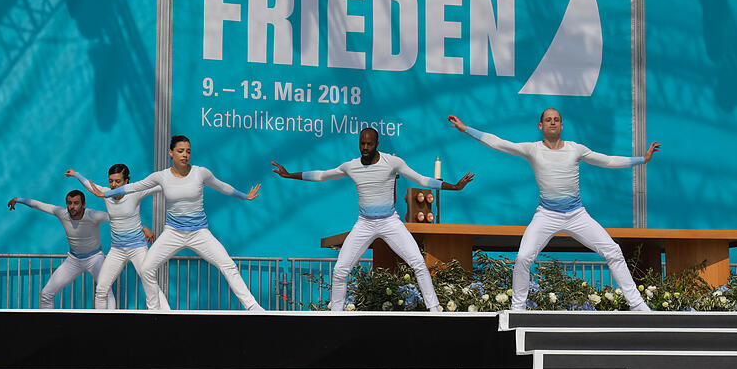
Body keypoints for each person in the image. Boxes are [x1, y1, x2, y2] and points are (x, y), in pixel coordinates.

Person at [448, 109, 660, 311]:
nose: (552, 122)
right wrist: (465, 128)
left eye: (556, 119)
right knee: (523, 258)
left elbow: (608, 160)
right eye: (548, 119)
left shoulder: (575, 149)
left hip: (577, 214)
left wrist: (643, 159)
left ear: (561, 126)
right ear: (540, 125)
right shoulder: (532, 149)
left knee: (613, 251)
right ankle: (518, 309)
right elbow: (498, 143)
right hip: (546, 215)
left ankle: (637, 303)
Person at [271, 127, 474, 311]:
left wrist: (454, 187)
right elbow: (322, 175)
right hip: (364, 223)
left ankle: (434, 310)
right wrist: (290, 175)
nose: (365, 147)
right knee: (340, 270)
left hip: (390, 222)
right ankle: (335, 315)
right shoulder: (351, 166)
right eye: (362, 143)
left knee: (418, 263)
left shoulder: (393, 163)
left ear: (377, 144)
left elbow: (421, 179)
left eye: (369, 144)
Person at [88, 135, 263, 311]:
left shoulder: (201, 173)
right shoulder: (161, 177)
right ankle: (154, 312)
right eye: (180, 151)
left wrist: (244, 195)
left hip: (199, 233)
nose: (185, 154)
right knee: (147, 268)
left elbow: (222, 186)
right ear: (171, 153)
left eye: (188, 151)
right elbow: (135, 186)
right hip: (173, 232)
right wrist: (106, 194)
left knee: (228, 265)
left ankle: (253, 306)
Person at [65, 165, 170, 310]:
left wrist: (180, 181)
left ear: (126, 181)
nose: (113, 185)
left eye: (118, 181)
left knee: (150, 284)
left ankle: (167, 315)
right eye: (111, 181)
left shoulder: (135, 192)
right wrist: (76, 174)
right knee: (101, 289)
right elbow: (90, 185)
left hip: (138, 248)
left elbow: (158, 186)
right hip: (117, 250)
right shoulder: (106, 193)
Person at [7, 191, 115, 309]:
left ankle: (109, 326)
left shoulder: (94, 215)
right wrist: (18, 200)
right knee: (46, 294)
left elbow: (118, 219)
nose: (72, 206)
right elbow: (39, 205)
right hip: (73, 260)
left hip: (95, 259)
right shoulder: (62, 213)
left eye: (76, 203)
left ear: (83, 204)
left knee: (105, 292)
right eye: (69, 203)